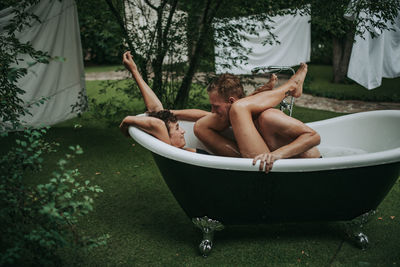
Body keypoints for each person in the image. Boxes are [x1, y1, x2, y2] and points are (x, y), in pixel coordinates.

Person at [119, 51, 289, 154]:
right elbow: (155, 122)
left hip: (253, 153)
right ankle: (275, 91)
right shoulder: (170, 148)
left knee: (228, 114)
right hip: (246, 160)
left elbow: (156, 111)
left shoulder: (175, 146)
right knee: (229, 115)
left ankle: (259, 96)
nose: (183, 132)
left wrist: (134, 71)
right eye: (177, 128)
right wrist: (128, 120)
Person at [194, 63, 321, 173]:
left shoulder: (268, 116)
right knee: (200, 127)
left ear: (232, 101)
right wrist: (175, 113)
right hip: (267, 167)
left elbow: (313, 136)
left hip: (309, 168)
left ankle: (292, 86)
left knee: (238, 109)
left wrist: (277, 154)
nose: (212, 111)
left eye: (216, 107)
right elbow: (202, 124)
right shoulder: (241, 120)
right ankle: (291, 86)